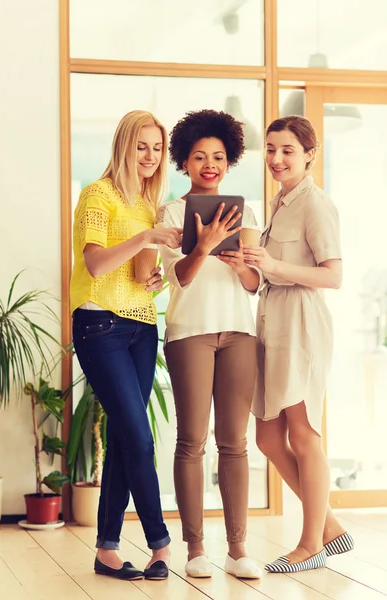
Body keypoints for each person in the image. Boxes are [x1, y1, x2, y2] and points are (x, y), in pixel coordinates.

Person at [70, 110, 183, 581]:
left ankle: (107, 549)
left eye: (157, 149)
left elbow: (136, 278)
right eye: (142, 146)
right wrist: (144, 237)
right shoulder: (97, 195)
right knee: (139, 435)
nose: (150, 157)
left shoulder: (149, 205)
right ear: (123, 145)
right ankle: (160, 544)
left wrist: (153, 280)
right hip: (100, 327)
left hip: (140, 326)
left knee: (123, 437)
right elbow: (96, 266)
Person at [245, 115, 354, 573]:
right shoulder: (277, 203)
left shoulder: (315, 204)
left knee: (303, 432)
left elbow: (334, 275)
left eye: (287, 150)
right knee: (268, 436)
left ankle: (310, 545)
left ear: (310, 153)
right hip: (271, 321)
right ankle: (330, 526)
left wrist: (273, 264)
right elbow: (263, 275)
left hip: (303, 324)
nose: (276, 158)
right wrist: (247, 265)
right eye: (271, 149)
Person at [157, 109, 262, 580]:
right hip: (190, 334)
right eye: (199, 156)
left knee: (235, 443)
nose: (209, 164)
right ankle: (196, 547)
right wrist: (204, 245)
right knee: (191, 441)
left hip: (240, 332)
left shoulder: (249, 211)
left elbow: (254, 282)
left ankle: (238, 549)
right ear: (184, 161)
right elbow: (177, 279)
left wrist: (240, 261)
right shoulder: (171, 213)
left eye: (218, 156)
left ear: (229, 159)